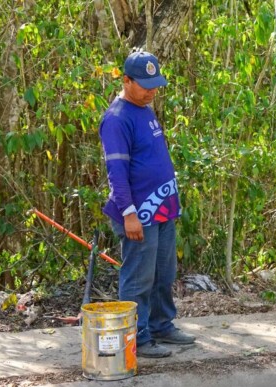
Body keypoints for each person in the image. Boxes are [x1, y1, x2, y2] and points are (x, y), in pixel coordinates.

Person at [99, 50, 195, 358]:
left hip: (163, 208)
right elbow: (116, 172)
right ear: (126, 81)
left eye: (155, 84)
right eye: (145, 85)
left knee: (164, 273)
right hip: (138, 213)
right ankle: (136, 337)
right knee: (139, 276)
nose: (152, 91)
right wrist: (128, 213)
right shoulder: (116, 119)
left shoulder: (144, 108)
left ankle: (161, 324)